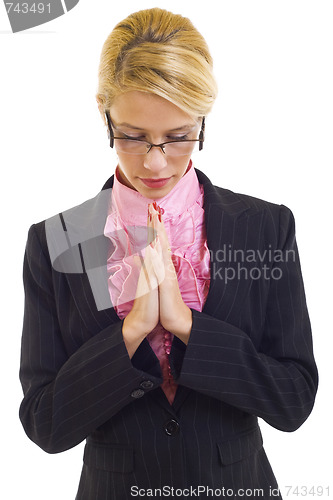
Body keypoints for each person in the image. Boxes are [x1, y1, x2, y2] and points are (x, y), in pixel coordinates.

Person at [19, 7, 318, 500]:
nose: (155, 162)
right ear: (104, 112)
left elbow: (294, 399)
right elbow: (45, 424)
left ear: (203, 119)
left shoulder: (266, 227)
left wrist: (187, 326)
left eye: (178, 138)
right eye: (132, 136)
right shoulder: (57, 240)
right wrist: (132, 329)